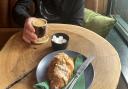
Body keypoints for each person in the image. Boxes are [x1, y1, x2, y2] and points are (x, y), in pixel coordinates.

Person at [13, 0, 84, 43]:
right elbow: (18, 8)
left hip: (62, 40)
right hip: (38, 39)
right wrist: (26, 19)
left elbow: (77, 25)